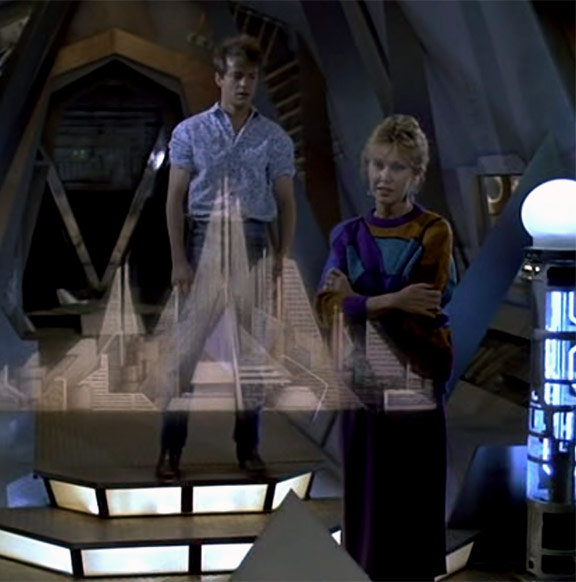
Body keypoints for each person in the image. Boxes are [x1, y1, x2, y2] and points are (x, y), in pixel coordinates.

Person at [315, 114, 456, 581]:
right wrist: (390, 299)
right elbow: (327, 308)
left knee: (413, 501)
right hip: (362, 385)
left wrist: (356, 298)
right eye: (377, 164)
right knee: (367, 503)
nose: (384, 176)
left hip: (415, 383)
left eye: (396, 167)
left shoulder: (433, 230)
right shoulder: (347, 234)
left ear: (416, 175)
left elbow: (424, 305)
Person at [157, 35, 296, 479]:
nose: (244, 85)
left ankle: (247, 449)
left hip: (254, 241)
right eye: (236, 76)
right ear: (219, 77)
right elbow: (174, 198)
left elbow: (286, 201)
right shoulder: (190, 132)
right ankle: (170, 451)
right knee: (186, 354)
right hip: (205, 238)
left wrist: (281, 257)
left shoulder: (273, 137)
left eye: (251, 77)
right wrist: (179, 260)